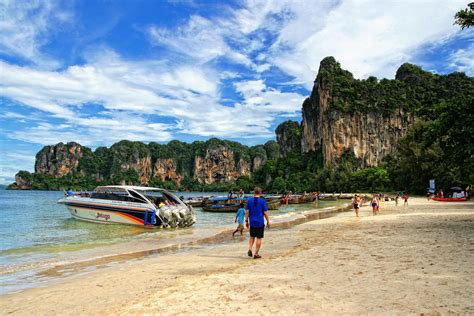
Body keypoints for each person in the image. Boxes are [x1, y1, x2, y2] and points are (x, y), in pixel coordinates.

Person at [245, 187, 270, 259]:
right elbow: (265, 213)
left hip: (252, 222)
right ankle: (256, 253)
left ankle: (250, 248)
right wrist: (268, 221)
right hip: (260, 222)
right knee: (259, 238)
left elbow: (247, 212)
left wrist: (246, 221)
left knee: (252, 237)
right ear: (260, 193)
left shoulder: (249, 201)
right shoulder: (262, 201)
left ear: (254, 192)